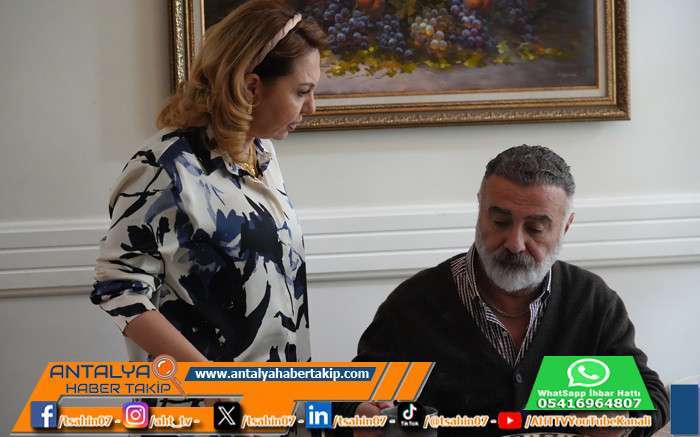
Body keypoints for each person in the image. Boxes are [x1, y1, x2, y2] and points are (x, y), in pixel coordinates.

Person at [340, 145, 669, 437]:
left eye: (536, 228)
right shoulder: (414, 305)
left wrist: (624, 418)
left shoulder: (590, 300)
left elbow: (654, 395)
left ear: (566, 226)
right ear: (480, 209)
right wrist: (360, 415)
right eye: (500, 222)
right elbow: (343, 398)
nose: (515, 243)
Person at [90, 0, 324, 401]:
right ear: (251, 87)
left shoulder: (261, 154)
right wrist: (216, 388)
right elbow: (119, 289)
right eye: (302, 91)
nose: (312, 107)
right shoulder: (163, 167)